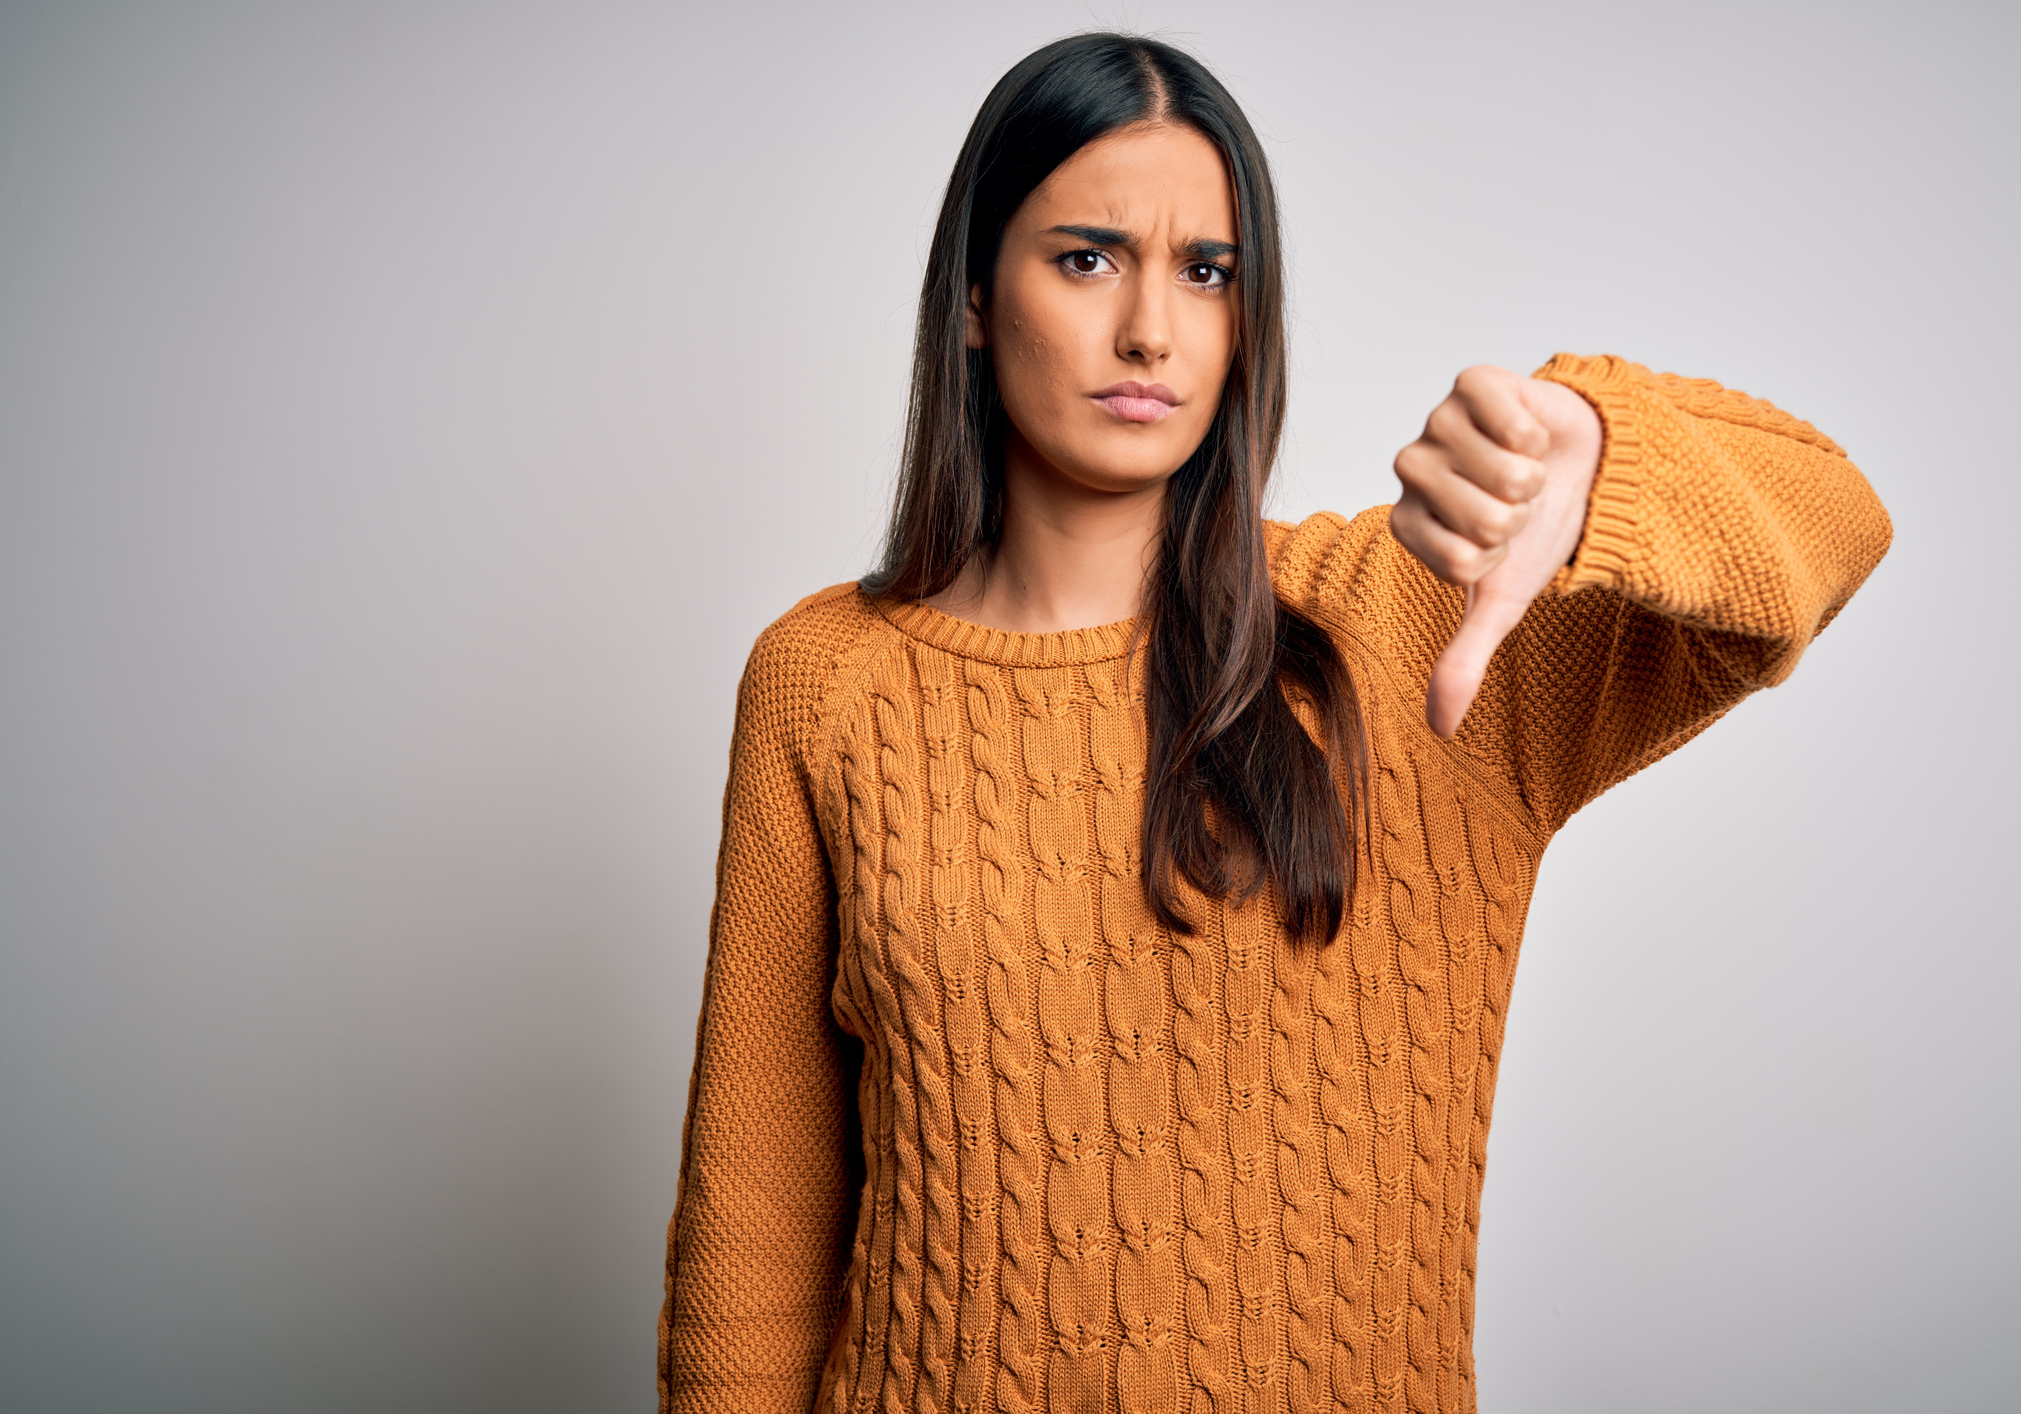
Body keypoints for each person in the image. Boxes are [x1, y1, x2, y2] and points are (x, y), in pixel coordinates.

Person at [658, 31, 1891, 1414]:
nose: (1151, 329)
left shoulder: (1409, 622)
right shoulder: (824, 682)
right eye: (1085, 258)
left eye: (1207, 272)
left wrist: (1600, 454)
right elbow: (753, 1235)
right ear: (972, 302)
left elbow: (1835, 513)